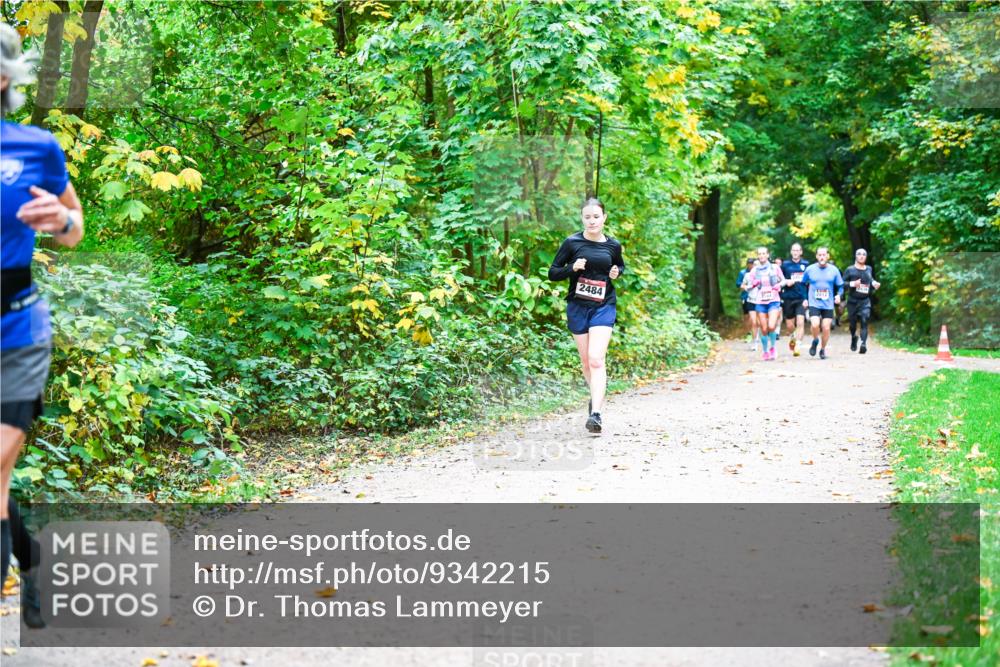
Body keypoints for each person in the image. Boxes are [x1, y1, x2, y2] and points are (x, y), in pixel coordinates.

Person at [1, 22, 85, 586]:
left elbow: (74, 227)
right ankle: (28, 555)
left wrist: (62, 221)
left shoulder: (35, 147)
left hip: (16, 332)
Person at [549, 197, 624, 433]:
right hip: (578, 306)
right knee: (585, 361)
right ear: (582, 218)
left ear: (604, 218)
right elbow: (553, 273)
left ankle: (596, 414)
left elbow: (620, 266)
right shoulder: (571, 243)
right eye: (587, 217)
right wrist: (572, 268)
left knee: (596, 359)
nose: (592, 221)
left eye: (596, 216)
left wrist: (616, 272)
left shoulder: (613, 245)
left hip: (604, 305)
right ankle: (595, 397)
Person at [741, 247, 784, 361]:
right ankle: (765, 351)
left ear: (768, 255)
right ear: (758, 256)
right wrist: (753, 285)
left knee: (771, 326)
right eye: (759, 254)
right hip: (760, 302)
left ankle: (773, 348)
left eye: (764, 253)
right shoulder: (754, 271)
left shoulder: (775, 267)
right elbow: (747, 287)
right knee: (764, 329)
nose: (761, 256)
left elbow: (783, 280)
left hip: (774, 301)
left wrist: (779, 285)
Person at [801, 247, 844, 360]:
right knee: (815, 324)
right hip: (814, 303)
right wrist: (805, 298)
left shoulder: (834, 270)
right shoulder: (810, 269)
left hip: (828, 304)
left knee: (826, 327)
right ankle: (815, 340)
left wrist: (839, 295)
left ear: (828, 256)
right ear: (816, 256)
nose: (822, 257)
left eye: (824, 255)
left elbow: (840, 286)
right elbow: (802, 284)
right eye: (819, 255)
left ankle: (823, 349)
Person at [843, 248, 880, 354]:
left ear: (866, 257)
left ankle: (863, 344)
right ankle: (854, 337)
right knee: (853, 324)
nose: (861, 256)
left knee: (864, 320)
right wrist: (852, 284)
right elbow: (841, 283)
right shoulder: (850, 269)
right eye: (859, 254)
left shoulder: (869, 268)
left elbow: (870, 279)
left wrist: (874, 283)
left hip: (865, 301)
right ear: (855, 256)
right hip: (852, 301)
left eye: (864, 254)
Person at [780, 243, 810, 357]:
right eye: (794, 250)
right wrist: (786, 281)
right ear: (791, 252)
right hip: (788, 297)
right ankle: (793, 336)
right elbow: (780, 280)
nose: (796, 252)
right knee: (789, 325)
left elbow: (809, 283)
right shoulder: (785, 265)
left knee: (801, 322)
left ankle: (798, 345)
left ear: (801, 252)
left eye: (798, 250)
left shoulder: (806, 265)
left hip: (801, 298)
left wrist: (807, 298)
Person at [736, 258, 759, 350]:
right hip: (749, 299)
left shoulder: (765, 275)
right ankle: (753, 339)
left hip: (762, 301)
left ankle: (759, 336)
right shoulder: (746, 274)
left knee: (759, 322)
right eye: (754, 265)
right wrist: (746, 287)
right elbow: (740, 285)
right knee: (752, 321)